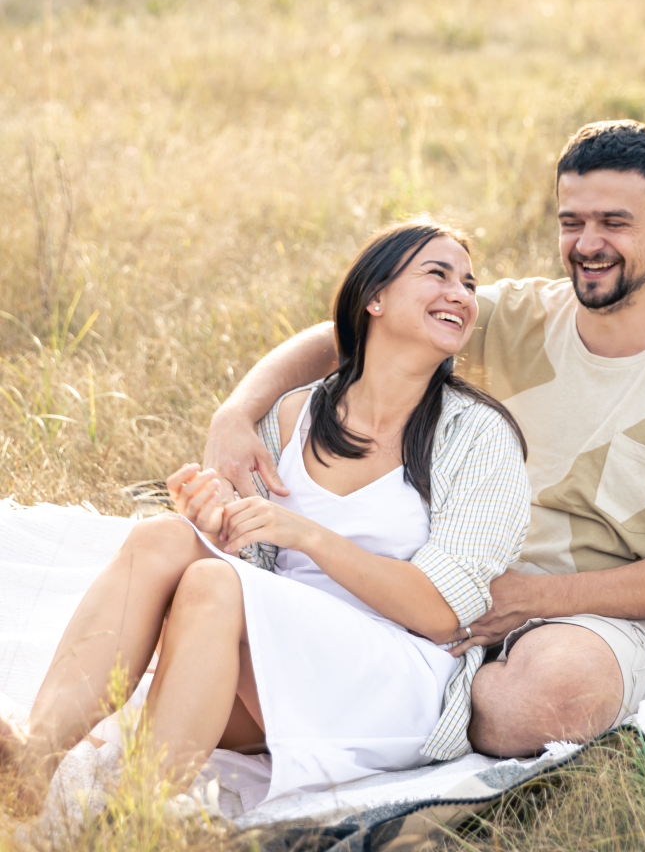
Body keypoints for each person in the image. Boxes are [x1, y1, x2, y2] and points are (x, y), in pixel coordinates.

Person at [203, 121, 645, 757]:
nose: (588, 244)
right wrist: (236, 413)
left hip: (612, 614)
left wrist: (538, 598)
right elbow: (341, 336)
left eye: (614, 223)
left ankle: (424, 707)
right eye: (572, 222)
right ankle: (402, 704)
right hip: (452, 579)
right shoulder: (513, 314)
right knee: (219, 616)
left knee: (532, 705)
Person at [0, 221, 530, 803]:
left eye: (468, 283)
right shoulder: (295, 415)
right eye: (438, 274)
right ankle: (35, 757)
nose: (461, 293)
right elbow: (257, 561)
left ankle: (135, 816)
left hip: (395, 677)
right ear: (373, 297)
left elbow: (441, 612)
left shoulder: (477, 435)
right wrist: (218, 522)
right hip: (282, 652)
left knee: (212, 583)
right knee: (164, 538)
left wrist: (309, 535)